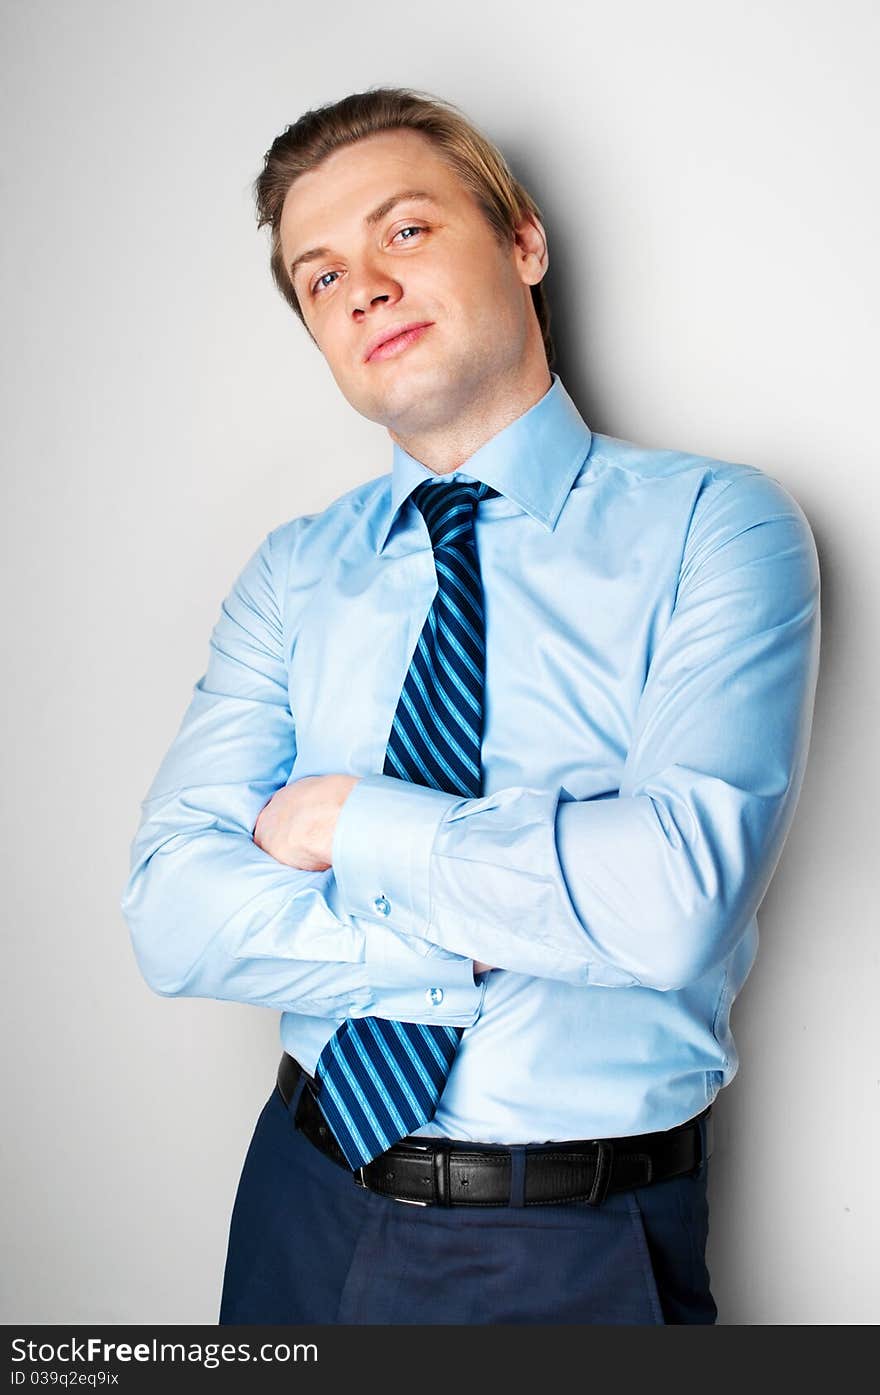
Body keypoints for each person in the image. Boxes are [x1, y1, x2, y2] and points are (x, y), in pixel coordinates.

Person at [120, 86, 821, 1326]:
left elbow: (671, 907)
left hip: (576, 1247)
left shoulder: (720, 526)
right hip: (300, 1194)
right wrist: (504, 925)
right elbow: (173, 913)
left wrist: (350, 825)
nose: (366, 289)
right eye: (321, 276)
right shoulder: (293, 571)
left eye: (403, 232)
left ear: (523, 242)